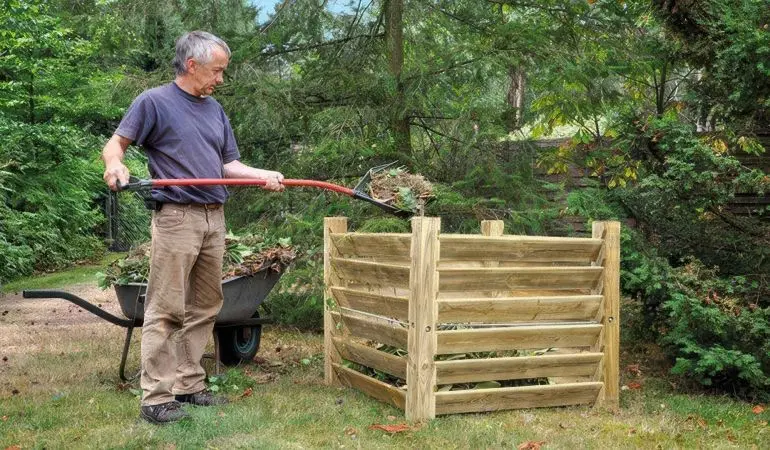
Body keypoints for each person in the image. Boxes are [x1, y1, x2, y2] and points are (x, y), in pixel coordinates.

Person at [101, 31, 284, 424]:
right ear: (192, 65)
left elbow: (228, 166)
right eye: (217, 70)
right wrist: (115, 166)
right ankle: (155, 397)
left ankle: (188, 384)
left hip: (214, 216)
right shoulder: (153, 102)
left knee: (206, 305)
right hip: (177, 217)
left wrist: (262, 174)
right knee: (166, 307)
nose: (221, 78)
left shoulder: (214, 109)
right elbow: (116, 145)